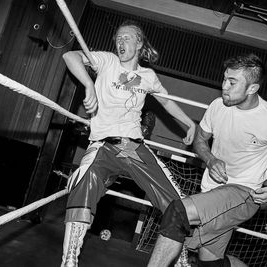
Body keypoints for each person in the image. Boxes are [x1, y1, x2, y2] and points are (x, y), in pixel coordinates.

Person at [147, 53, 267, 267]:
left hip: (243, 193)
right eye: (224, 79)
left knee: (178, 213)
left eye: (232, 82)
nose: (224, 86)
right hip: (211, 191)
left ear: (252, 88)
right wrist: (210, 159)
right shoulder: (218, 106)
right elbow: (200, 139)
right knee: (210, 262)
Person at [60, 20, 196, 267]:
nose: (120, 42)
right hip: (103, 144)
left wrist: (190, 123)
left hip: (131, 146)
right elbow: (70, 56)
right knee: (83, 185)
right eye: (118, 38)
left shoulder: (148, 76)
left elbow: (166, 102)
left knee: (174, 198)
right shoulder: (107, 61)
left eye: (127, 38)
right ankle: (69, 259)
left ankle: (179, 253)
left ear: (140, 43)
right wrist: (89, 84)